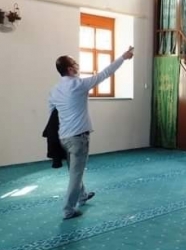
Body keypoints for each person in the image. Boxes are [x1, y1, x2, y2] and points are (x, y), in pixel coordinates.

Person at [49, 46, 134, 220]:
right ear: (70, 69)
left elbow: (51, 114)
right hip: (78, 138)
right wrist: (123, 57)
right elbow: (105, 73)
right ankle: (68, 209)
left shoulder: (54, 90)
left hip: (63, 137)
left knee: (74, 170)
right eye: (75, 63)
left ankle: (82, 196)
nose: (78, 65)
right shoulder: (79, 85)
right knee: (76, 174)